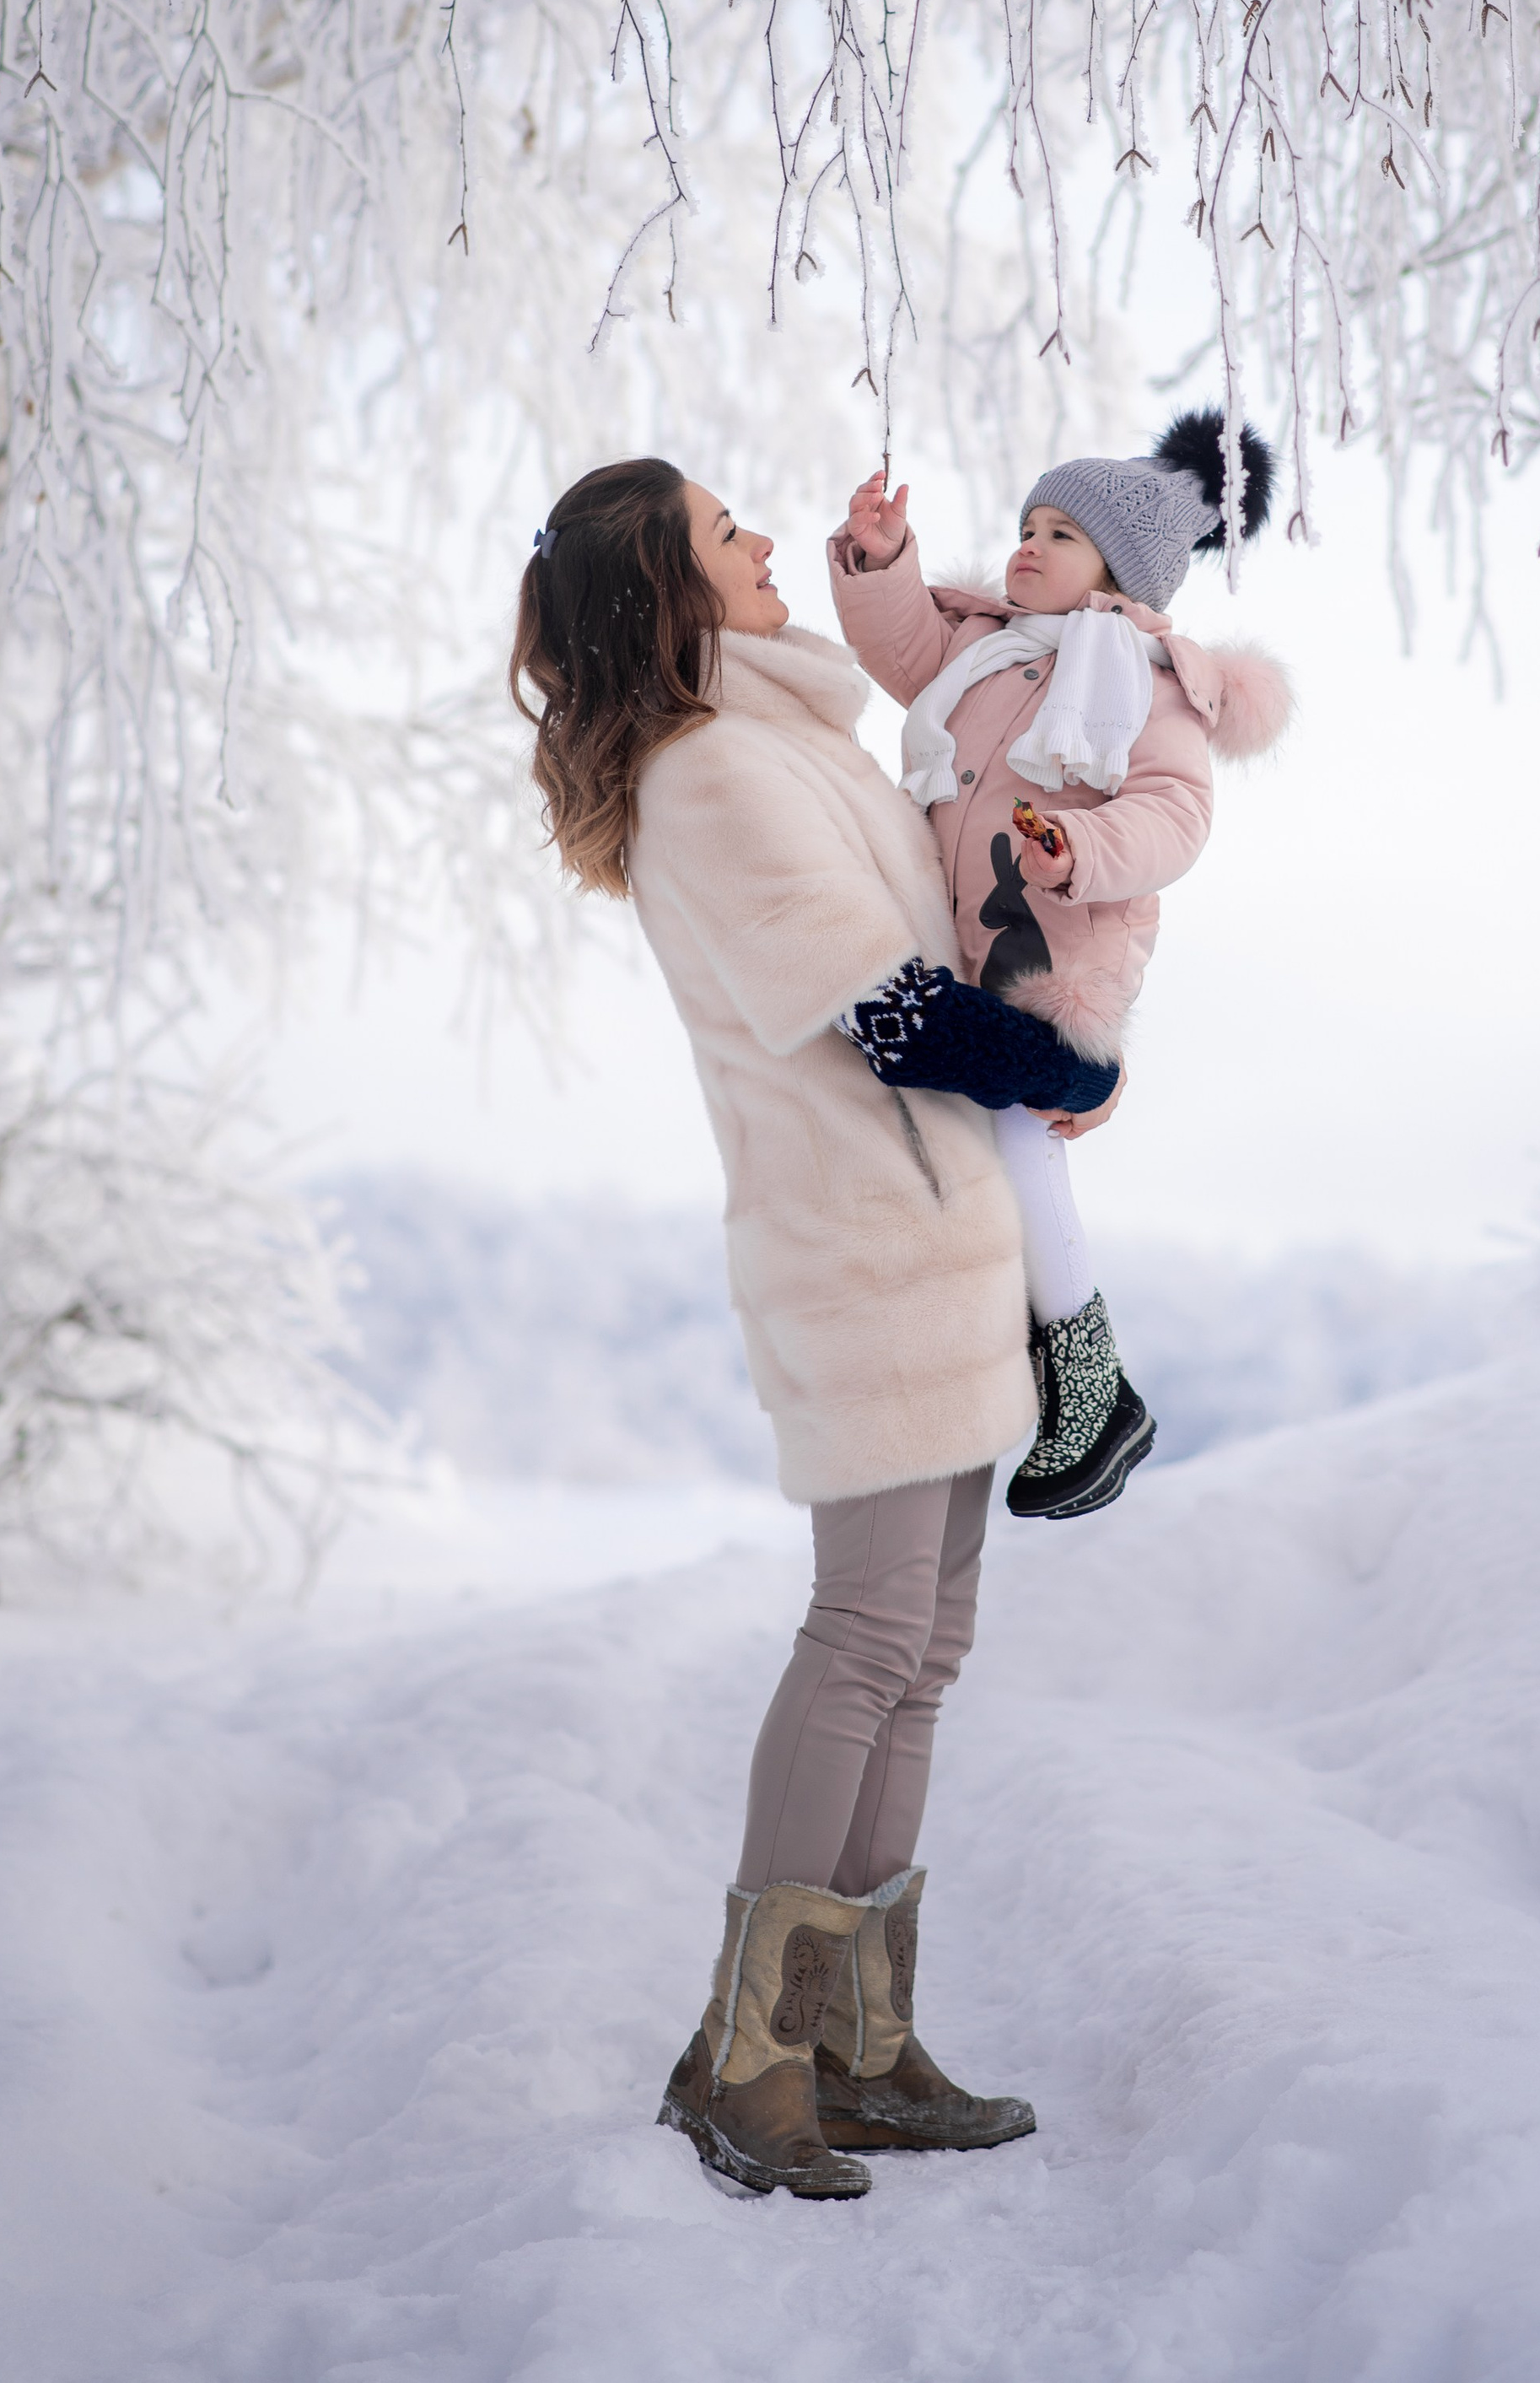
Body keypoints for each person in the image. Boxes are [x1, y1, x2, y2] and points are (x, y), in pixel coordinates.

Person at [510, 458, 1123, 2203]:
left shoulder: (792, 744)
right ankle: (746, 2056)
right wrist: (1062, 1065)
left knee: (920, 1652)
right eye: (726, 534)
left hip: (940, 1244)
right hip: (855, 1252)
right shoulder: (707, 776)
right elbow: (878, 1009)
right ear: (667, 596)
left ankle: (858, 2044)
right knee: (862, 1639)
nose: (763, 540)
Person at [831, 407, 1295, 1518]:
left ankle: (1087, 1378)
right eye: (1027, 524)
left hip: (1056, 949)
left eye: (1061, 534)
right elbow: (896, 648)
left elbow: (1176, 814)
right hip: (958, 937)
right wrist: (883, 560)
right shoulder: (981, 649)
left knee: (1017, 1139)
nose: (1027, 546)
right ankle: (1025, 1359)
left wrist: (1078, 846)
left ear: (1119, 576)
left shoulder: (1146, 677)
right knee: (965, 1141)